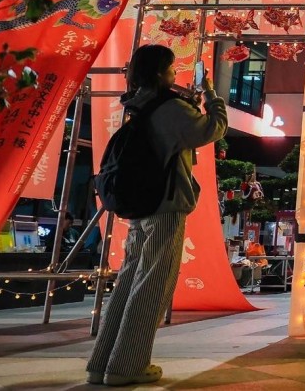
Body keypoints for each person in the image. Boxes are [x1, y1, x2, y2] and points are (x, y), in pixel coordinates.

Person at [86, 45, 228, 386]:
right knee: (153, 285)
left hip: (141, 208)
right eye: (171, 68)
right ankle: (128, 366)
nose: (174, 73)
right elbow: (211, 129)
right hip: (165, 205)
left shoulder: (140, 103)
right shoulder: (169, 107)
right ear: (161, 72)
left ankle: (102, 362)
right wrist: (211, 95)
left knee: (129, 281)